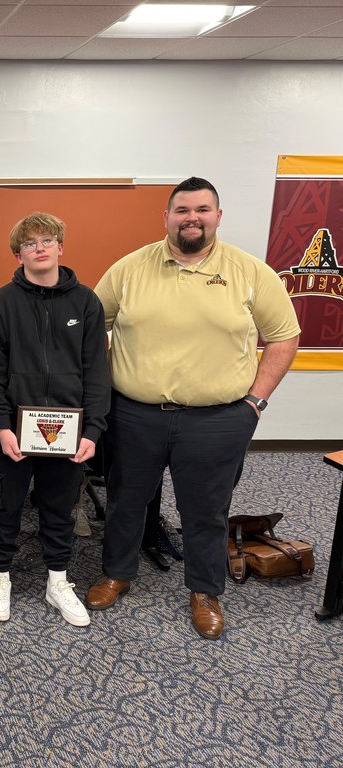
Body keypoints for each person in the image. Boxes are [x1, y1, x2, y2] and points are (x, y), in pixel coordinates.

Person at [87, 177, 301, 639]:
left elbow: (285, 336)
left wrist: (255, 402)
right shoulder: (129, 269)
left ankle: (205, 591)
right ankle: (116, 574)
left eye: (202, 209)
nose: (192, 218)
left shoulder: (250, 271)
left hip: (219, 418)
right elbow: (89, 329)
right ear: (165, 217)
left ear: (218, 217)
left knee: (206, 509)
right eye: (182, 210)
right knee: (125, 502)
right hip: (135, 414)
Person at [0, 213, 110, 627]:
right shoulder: (2, 302)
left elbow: (97, 372)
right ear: (18, 254)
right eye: (30, 243)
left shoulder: (86, 302)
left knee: (60, 508)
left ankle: (58, 580)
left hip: (68, 432)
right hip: (13, 431)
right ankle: (0, 576)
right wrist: (0, 425)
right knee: (5, 506)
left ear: (60, 247)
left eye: (47, 240)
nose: (40, 247)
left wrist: (93, 430)